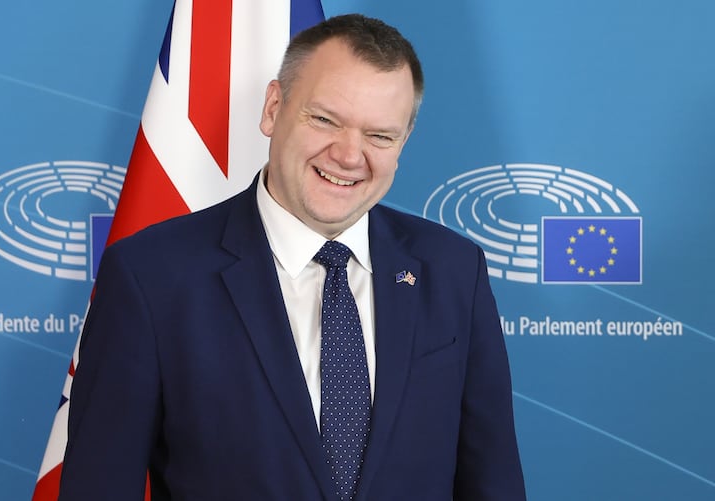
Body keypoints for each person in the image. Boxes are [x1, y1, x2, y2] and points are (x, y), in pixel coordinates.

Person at [58, 13, 526, 501]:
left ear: (402, 143)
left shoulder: (454, 270)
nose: (348, 155)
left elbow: (493, 482)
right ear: (274, 108)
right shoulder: (151, 277)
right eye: (325, 119)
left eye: (379, 136)